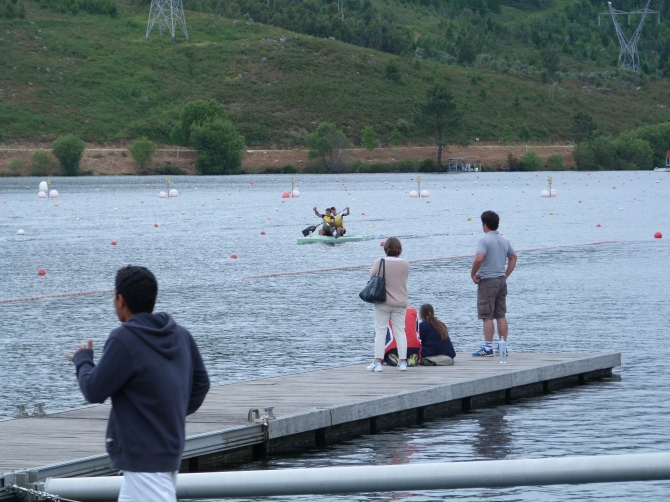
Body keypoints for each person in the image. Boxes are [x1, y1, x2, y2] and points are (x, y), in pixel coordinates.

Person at [65, 266, 210, 502]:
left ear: (121, 299)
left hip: (145, 458)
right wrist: (168, 414)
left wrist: (83, 360)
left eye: (114, 296)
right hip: (166, 450)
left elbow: (93, 390)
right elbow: (201, 384)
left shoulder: (124, 339)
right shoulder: (181, 334)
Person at [470, 211, 517, 357]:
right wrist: (506, 274)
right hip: (501, 280)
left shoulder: (484, 241)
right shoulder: (504, 241)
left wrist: (473, 273)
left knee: (487, 315)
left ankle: (488, 347)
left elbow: (479, 258)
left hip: (488, 281)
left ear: (484, 224)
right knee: (501, 314)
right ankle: (502, 346)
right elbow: (513, 257)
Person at [367, 237, 410, 372]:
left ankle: (377, 362)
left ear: (385, 249)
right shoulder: (405, 263)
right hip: (400, 302)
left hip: (383, 302)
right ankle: (403, 362)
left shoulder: (381, 262)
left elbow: (371, 275)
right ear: (400, 249)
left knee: (380, 331)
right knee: (400, 332)